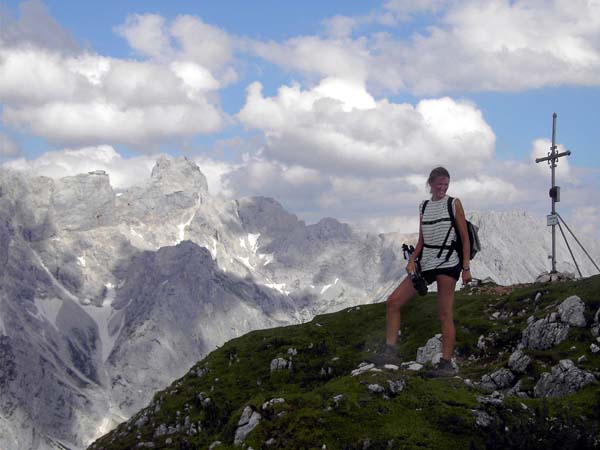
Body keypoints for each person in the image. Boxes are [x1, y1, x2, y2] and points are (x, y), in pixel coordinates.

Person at [371, 167, 472, 377]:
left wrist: (466, 268)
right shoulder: (423, 206)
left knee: (444, 313)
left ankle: (446, 364)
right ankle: (390, 351)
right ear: (430, 184)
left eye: (446, 184)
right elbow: (422, 239)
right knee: (393, 302)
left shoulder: (454, 203)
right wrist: (413, 260)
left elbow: (464, 237)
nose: (443, 188)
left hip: (448, 262)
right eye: (439, 184)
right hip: (426, 262)